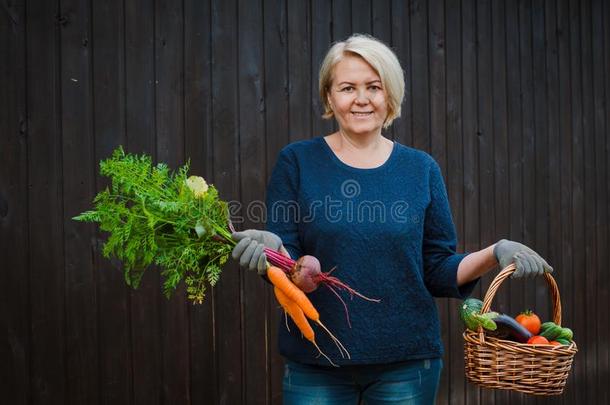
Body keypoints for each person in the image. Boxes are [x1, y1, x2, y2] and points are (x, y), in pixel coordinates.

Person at [231, 34, 552, 405]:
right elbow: (290, 257)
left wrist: (496, 251)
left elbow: (436, 267)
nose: (362, 99)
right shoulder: (297, 162)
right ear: (329, 96)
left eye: (374, 87)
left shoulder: (420, 169)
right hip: (315, 361)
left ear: (390, 96)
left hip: (406, 364)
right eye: (348, 87)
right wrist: (272, 252)